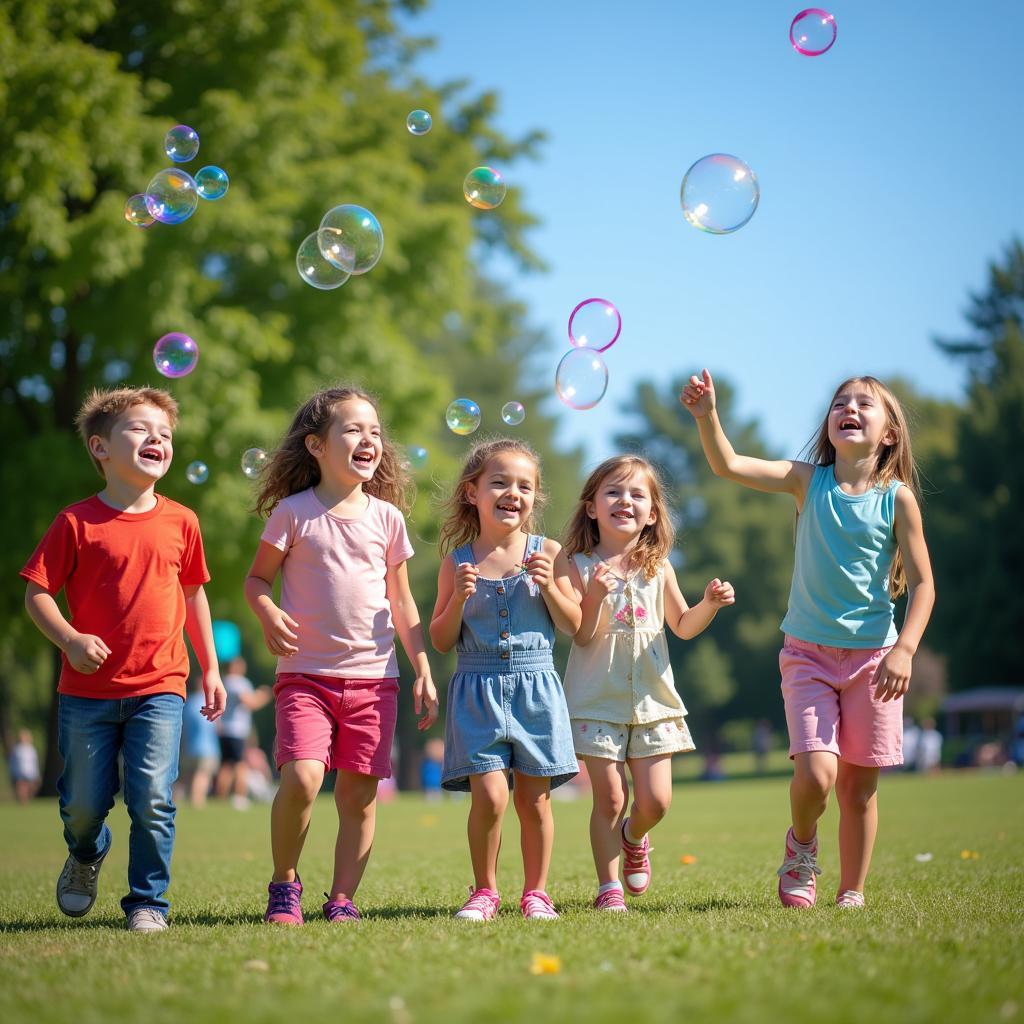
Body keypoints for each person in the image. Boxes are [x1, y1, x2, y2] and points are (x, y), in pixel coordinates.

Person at [681, 370, 935, 909]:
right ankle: (801, 847)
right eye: (840, 402)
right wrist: (708, 418)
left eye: (865, 404)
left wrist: (905, 649)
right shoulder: (806, 481)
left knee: (858, 789)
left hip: (875, 661)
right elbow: (728, 464)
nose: (850, 408)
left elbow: (924, 585)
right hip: (807, 656)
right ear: (830, 424)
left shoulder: (898, 499)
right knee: (817, 777)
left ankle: (851, 891)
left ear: (889, 433)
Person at [20, 386, 225, 932]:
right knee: (82, 807)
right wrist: (69, 639)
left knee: (153, 798)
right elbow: (37, 594)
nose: (156, 438)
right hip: (86, 695)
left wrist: (212, 669)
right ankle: (87, 852)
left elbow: (194, 595)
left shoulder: (183, 521)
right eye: (139, 429)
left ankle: (147, 904)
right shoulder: (75, 523)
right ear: (100, 448)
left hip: (161, 686)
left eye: (164, 433)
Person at [245, 385, 438, 926]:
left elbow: (401, 601)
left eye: (375, 431)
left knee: (358, 795)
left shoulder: (388, 520)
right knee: (303, 778)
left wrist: (421, 666)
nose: (368, 439)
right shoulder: (293, 513)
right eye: (353, 429)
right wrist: (267, 611)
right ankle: (285, 883)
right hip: (304, 676)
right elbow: (257, 579)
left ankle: (342, 899)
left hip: (375, 680)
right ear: (316, 445)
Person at [562, 455, 735, 911]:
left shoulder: (659, 567)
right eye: (614, 492)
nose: (626, 501)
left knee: (656, 801)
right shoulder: (575, 565)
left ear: (653, 513)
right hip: (596, 697)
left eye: (638, 494)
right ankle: (608, 887)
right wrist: (595, 595)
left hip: (654, 699)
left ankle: (634, 837)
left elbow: (682, 625)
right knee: (611, 796)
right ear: (592, 507)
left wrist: (709, 605)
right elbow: (581, 634)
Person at [429, 438, 581, 921]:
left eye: (524, 485)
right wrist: (457, 600)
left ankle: (536, 893)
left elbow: (575, 624)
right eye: (499, 482)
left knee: (534, 799)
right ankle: (485, 891)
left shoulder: (549, 552)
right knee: (491, 796)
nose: (512, 492)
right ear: (472, 492)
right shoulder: (456, 562)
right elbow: (439, 638)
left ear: (536, 498)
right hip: (477, 691)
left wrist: (550, 589)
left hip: (536, 687)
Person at [214, 656, 272, 809]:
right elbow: (250, 702)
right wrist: (264, 695)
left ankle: (220, 798)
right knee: (241, 765)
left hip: (224, 730)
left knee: (226, 765)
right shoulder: (238, 682)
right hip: (236, 730)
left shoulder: (225, 681)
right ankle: (240, 797)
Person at [181, 679, 220, 807]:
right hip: (207, 747)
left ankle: (185, 799)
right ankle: (197, 801)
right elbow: (216, 725)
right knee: (203, 774)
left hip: (189, 746)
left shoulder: (189, 702)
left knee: (189, 775)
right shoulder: (209, 703)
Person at [9, 728, 41, 804]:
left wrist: (37, 773)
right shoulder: (17, 749)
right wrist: (12, 772)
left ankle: (27, 799)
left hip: (30, 772)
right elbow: (13, 762)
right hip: (19, 772)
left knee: (32, 787)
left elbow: (34, 762)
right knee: (22, 787)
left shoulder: (31, 749)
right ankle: (23, 802)